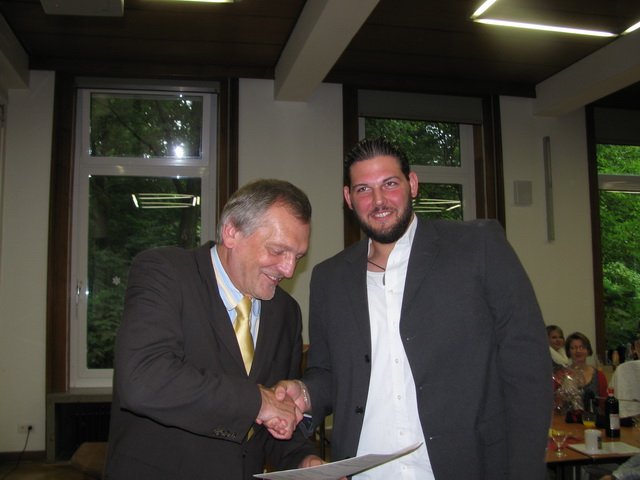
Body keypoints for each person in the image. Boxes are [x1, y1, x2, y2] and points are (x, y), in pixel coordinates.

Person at [275, 138, 553, 479]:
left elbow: (527, 365)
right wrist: (305, 393)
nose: (378, 200)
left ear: (413, 184)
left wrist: (525, 470)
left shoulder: (477, 246)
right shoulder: (329, 278)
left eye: (390, 184)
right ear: (348, 198)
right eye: (363, 189)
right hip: (366, 472)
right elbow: (328, 372)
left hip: (467, 466)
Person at [104, 179, 323, 480]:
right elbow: (143, 379)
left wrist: (303, 460)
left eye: (297, 257)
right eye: (277, 251)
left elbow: (275, 418)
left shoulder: (287, 312)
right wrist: (258, 401)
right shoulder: (165, 273)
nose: (288, 270)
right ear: (231, 232)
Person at [564, 331, 608, 413]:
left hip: (594, 419)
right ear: (568, 351)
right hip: (567, 419)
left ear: (588, 350)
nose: (578, 351)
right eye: (573, 348)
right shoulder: (562, 375)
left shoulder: (599, 376)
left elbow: (604, 404)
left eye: (582, 347)